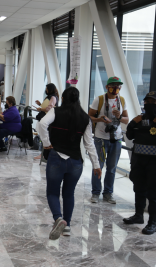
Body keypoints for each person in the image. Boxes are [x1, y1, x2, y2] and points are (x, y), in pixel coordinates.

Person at [37, 87, 101, 240]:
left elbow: (42, 124)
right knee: (69, 193)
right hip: (75, 163)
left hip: (56, 158)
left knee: (52, 192)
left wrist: (46, 143)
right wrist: (96, 165)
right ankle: (67, 227)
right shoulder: (85, 118)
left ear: (63, 99)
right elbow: (89, 144)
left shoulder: (56, 111)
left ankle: (58, 219)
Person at [124, 91, 156, 235]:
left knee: (154, 193)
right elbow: (129, 135)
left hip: (155, 162)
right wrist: (132, 123)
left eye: (153, 102)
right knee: (138, 188)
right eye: (147, 102)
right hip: (139, 160)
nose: (149, 105)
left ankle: (152, 222)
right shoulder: (140, 119)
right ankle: (138, 215)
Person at [88, 76, 129, 204]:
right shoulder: (99, 100)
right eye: (113, 85)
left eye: (118, 86)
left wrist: (120, 116)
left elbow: (127, 120)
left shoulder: (121, 100)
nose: (116, 88)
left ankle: (108, 193)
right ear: (107, 87)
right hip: (100, 138)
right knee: (97, 166)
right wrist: (100, 119)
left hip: (116, 139)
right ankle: (95, 193)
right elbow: (89, 116)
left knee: (112, 168)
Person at [34, 83, 59, 160]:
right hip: (46, 119)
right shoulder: (50, 97)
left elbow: (49, 108)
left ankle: (44, 154)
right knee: (43, 137)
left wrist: (40, 109)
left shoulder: (53, 97)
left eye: (47, 89)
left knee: (45, 137)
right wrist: (40, 104)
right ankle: (43, 153)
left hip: (48, 121)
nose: (46, 90)